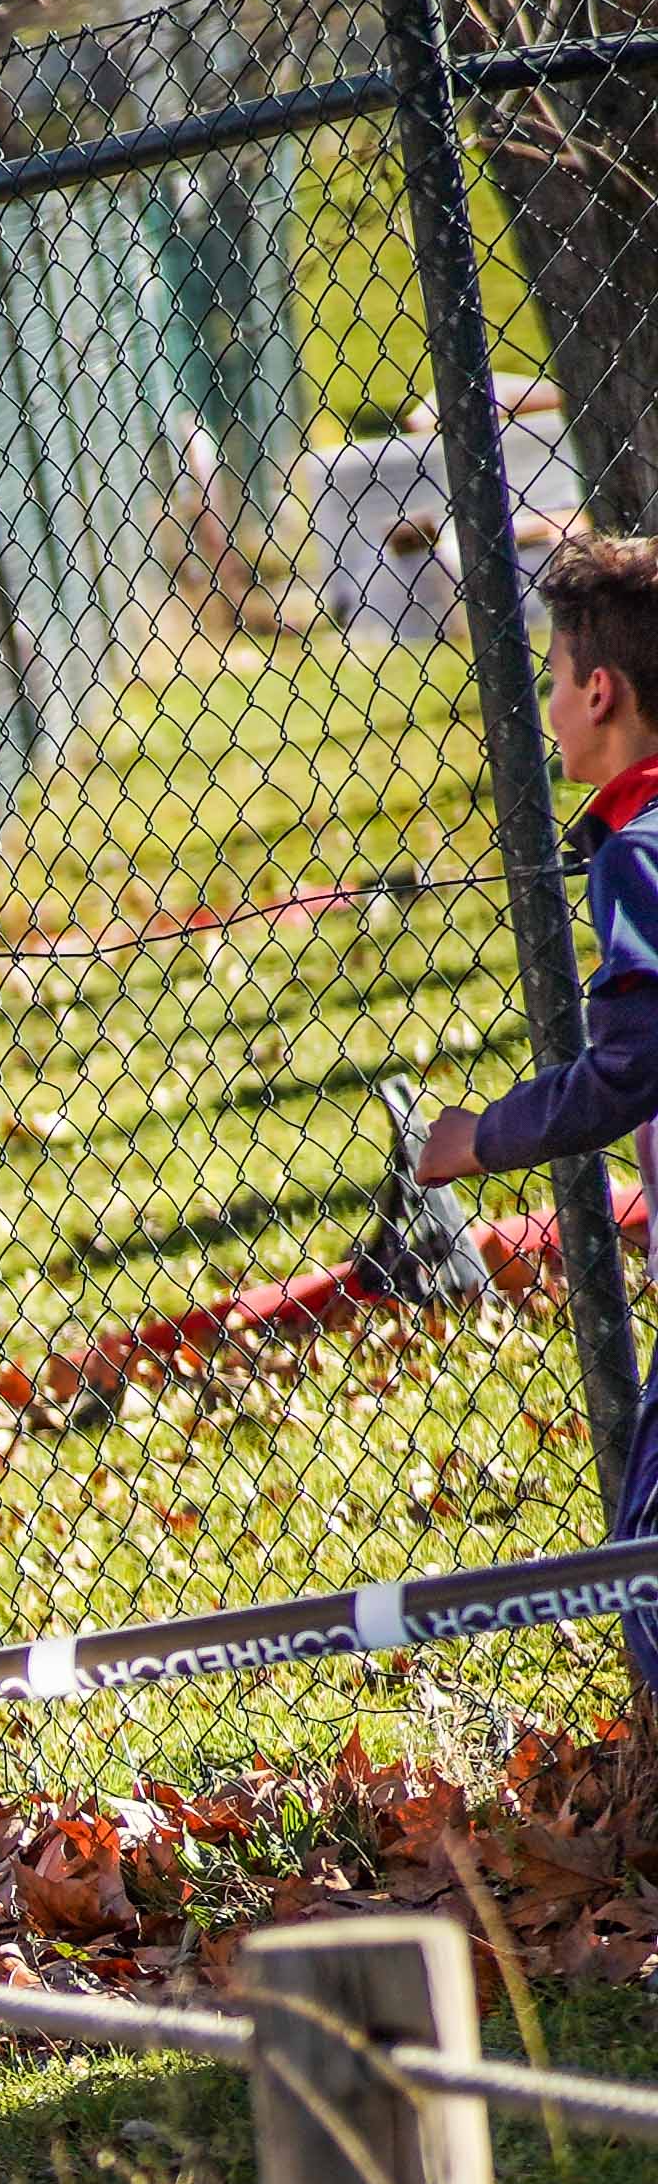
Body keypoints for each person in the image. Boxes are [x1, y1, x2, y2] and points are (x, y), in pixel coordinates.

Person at [415, 523, 658, 1711]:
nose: (551, 706)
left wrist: (480, 1137)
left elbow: (628, 1066)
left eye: (553, 680)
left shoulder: (638, 858)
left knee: (648, 1576)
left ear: (599, 690)